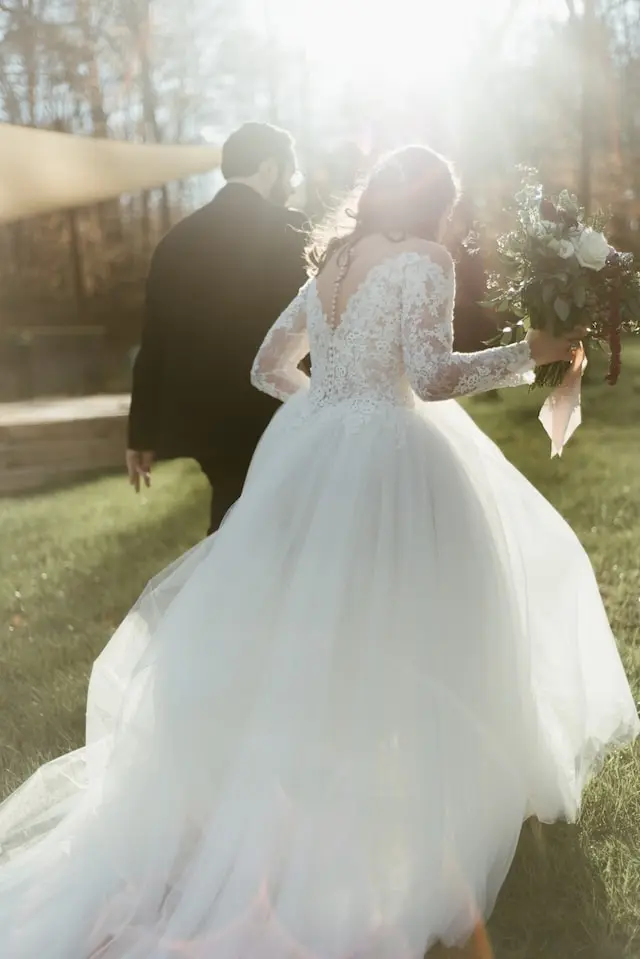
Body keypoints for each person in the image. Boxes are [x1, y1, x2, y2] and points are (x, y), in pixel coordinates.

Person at [0, 145, 638, 959]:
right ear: (436, 205)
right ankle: (417, 805)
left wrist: (330, 409)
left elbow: (268, 366)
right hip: (390, 462)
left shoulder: (332, 260)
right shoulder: (428, 259)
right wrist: (534, 355)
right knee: (424, 631)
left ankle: (302, 789)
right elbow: (435, 378)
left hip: (309, 454)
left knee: (307, 636)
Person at [126, 121, 309, 534]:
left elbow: (153, 342)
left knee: (231, 522)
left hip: (206, 422)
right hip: (278, 411)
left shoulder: (176, 241)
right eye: (291, 172)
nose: (293, 184)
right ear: (269, 168)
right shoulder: (293, 230)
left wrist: (140, 434)